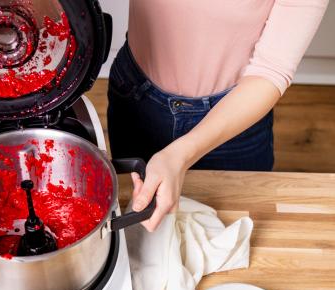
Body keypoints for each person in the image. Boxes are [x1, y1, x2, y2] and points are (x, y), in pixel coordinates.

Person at [107, 0, 329, 231]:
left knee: (230, 235)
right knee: (134, 228)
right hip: (136, 96)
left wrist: (179, 155)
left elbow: (271, 71)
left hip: (235, 119)